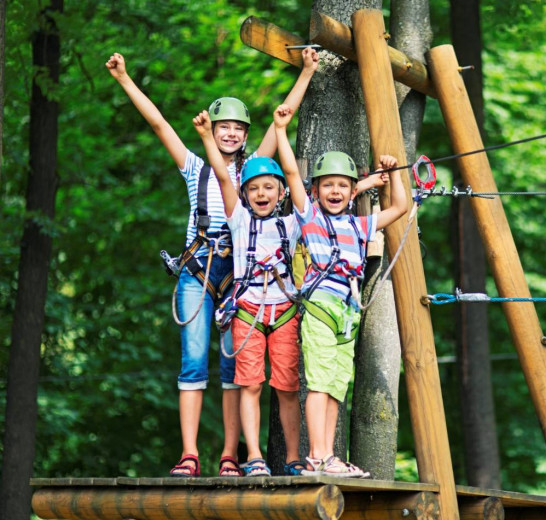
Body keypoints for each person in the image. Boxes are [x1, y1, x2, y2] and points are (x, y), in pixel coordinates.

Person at [105, 48, 318, 477]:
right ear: (213, 130)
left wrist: (308, 71)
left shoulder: (257, 171)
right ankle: (189, 453)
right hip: (198, 271)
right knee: (193, 360)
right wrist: (125, 79)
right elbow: (159, 124)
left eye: (238, 128)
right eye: (224, 127)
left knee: (233, 370)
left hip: (241, 278)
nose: (231, 133)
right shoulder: (196, 168)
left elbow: (284, 118)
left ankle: (229, 454)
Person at [276, 104, 407, 477]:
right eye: (328, 185)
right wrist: (282, 131)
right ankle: (317, 455)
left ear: (353, 192)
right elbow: (289, 171)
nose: (335, 191)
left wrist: (393, 173)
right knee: (318, 380)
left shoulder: (360, 225)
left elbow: (399, 206)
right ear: (315, 190)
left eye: (343, 186)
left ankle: (328, 455)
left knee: (336, 385)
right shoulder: (310, 216)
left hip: (347, 313)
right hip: (320, 306)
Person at [194, 109, 303, 477]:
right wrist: (209, 136)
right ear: (244, 195)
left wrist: (283, 131)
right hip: (247, 312)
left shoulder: (293, 223)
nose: (261, 194)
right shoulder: (238, 219)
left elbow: (292, 175)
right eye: (254, 188)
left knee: (288, 387)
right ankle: (254, 455)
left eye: (269, 188)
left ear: (281, 193)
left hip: (284, 312)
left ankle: (292, 458)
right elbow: (224, 178)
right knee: (250, 383)